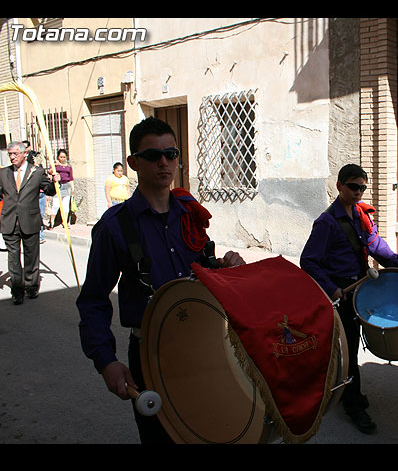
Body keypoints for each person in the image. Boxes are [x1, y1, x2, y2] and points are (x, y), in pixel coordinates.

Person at [76, 117, 245, 443]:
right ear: (134, 163)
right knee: (162, 437)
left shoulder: (190, 213)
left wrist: (224, 266)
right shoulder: (115, 227)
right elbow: (94, 299)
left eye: (171, 153)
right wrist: (106, 361)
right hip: (152, 353)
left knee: (212, 427)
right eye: (153, 156)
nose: (164, 162)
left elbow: (202, 269)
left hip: (204, 343)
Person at [300, 163, 398, 434]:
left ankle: (344, 393)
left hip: (358, 291)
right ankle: (352, 405)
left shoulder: (359, 216)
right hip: (340, 293)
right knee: (349, 350)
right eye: (353, 187)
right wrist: (332, 289)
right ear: (340, 185)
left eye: (362, 188)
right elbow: (308, 261)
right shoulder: (326, 223)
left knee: (347, 347)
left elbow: (376, 245)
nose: (358, 193)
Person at [0, 141, 59, 304]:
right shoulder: (3, 173)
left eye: (15, 154)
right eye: (10, 154)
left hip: (30, 220)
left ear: (24, 154)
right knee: (13, 258)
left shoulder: (37, 172)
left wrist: (55, 181)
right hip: (9, 220)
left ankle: (31, 286)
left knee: (31, 255)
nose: (12, 157)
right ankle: (17, 290)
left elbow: (49, 190)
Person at [49, 149, 74, 229]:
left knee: (66, 206)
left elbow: (71, 178)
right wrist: (55, 166)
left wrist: (72, 188)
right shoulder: (56, 165)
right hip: (58, 185)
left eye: (64, 157)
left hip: (66, 186)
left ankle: (65, 222)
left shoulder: (69, 167)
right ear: (58, 157)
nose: (62, 158)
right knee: (56, 205)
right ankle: (52, 222)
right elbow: (50, 172)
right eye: (61, 157)